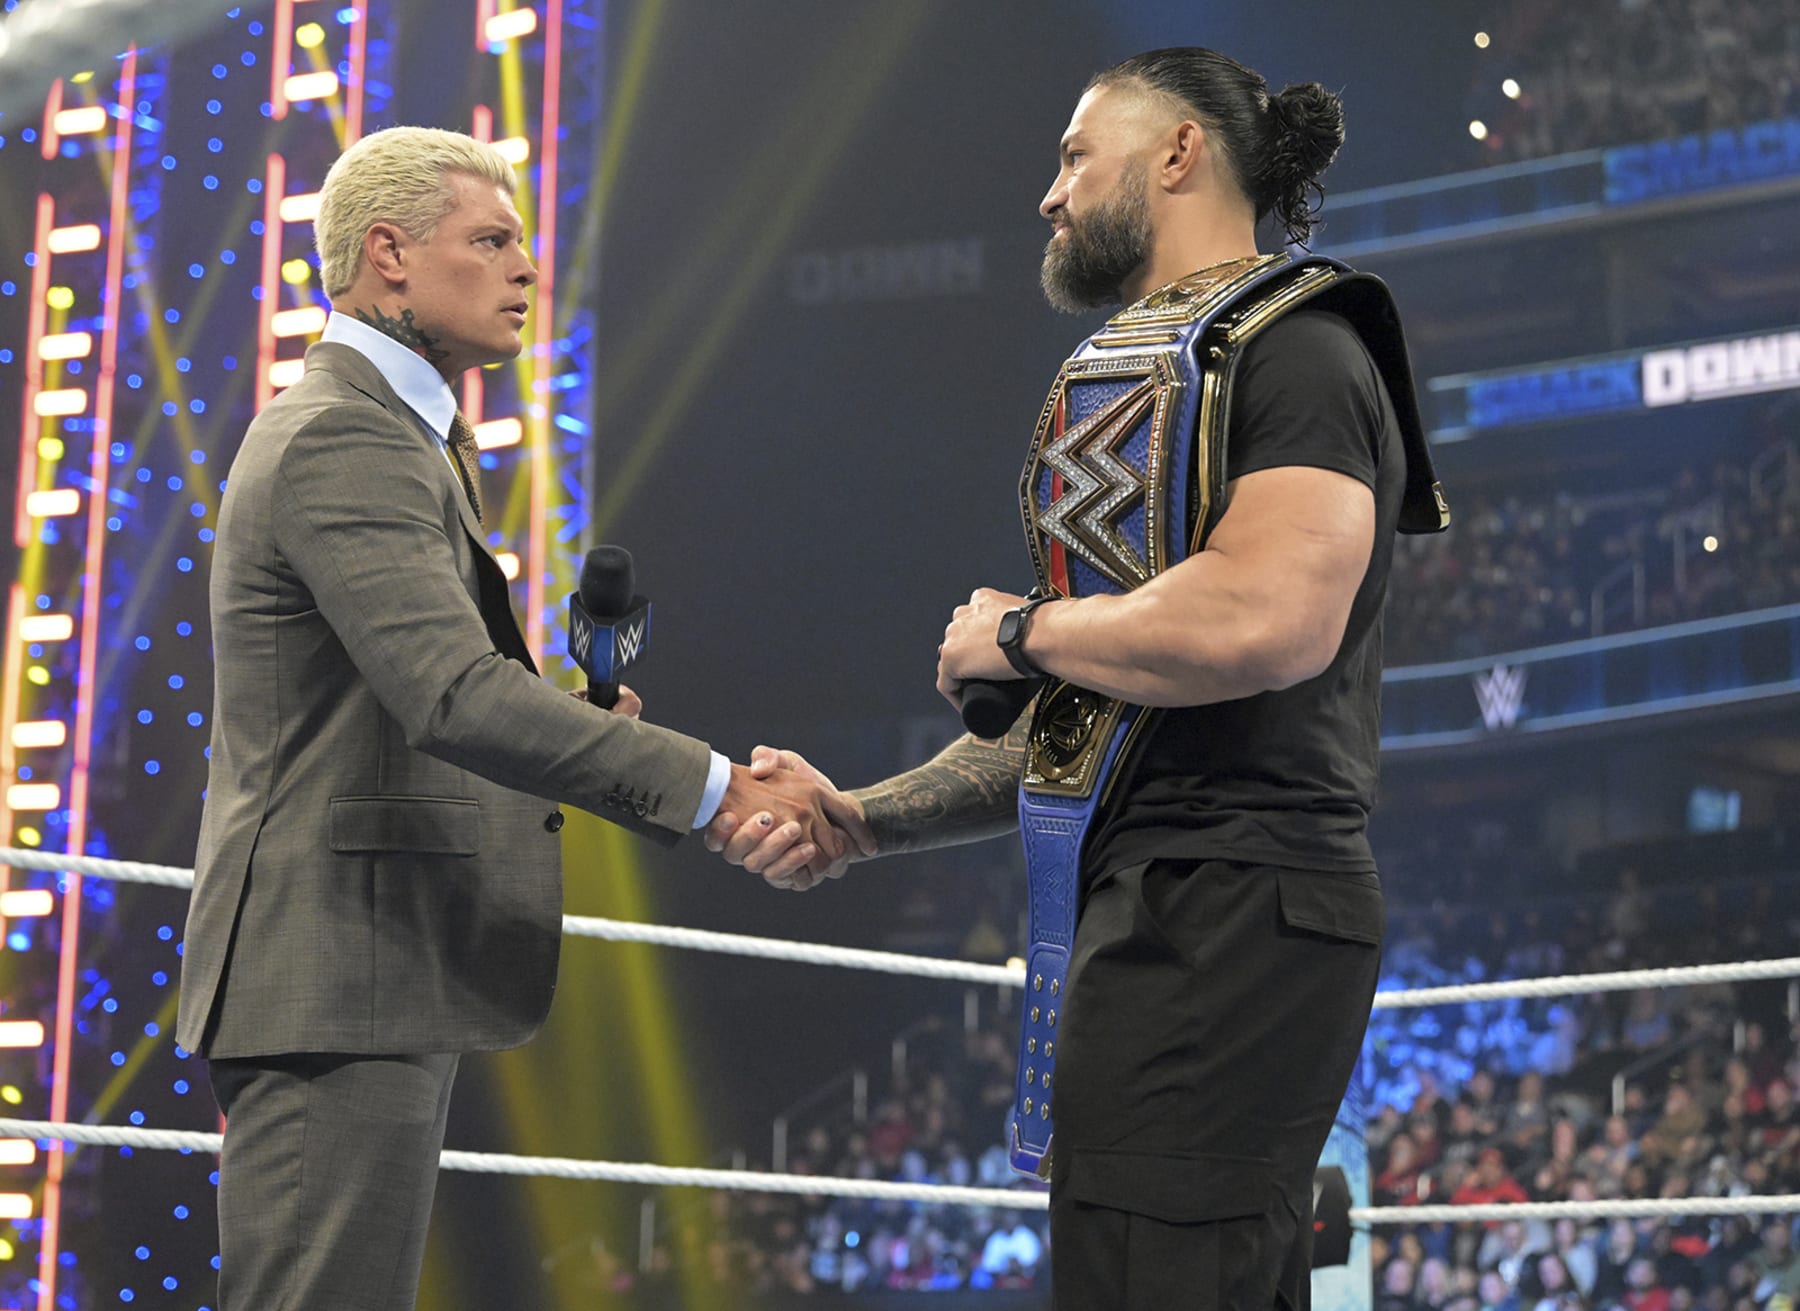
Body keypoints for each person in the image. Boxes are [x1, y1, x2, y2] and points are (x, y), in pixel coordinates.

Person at [708, 47, 1448, 1308]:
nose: (1050, 197)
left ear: (1177, 155)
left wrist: (1022, 632)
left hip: (1241, 896)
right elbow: (1084, 723)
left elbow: (1272, 618)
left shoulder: (1304, 351)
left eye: (1072, 155)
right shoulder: (1155, 373)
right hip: (1157, 902)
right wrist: (865, 818)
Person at [175, 126, 869, 1310]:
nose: (524, 271)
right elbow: (450, 694)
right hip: (337, 963)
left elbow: (400, 688)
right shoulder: (346, 432)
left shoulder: (405, 433)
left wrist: (559, 713)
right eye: (490, 241)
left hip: (367, 965)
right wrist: (711, 788)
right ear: (387, 254)